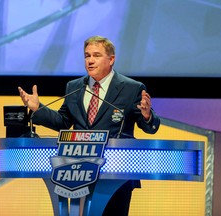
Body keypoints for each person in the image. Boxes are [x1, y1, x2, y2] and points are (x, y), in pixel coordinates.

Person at [18, 35, 160, 216]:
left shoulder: (131, 88)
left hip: (115, 174)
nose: (90, 61)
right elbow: (63, 121)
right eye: (87, 56)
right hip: (77, 171)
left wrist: (147, 116)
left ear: (111, 59)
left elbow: (150, 127)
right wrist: (38, 108)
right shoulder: (75, 87)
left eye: (96, 55)